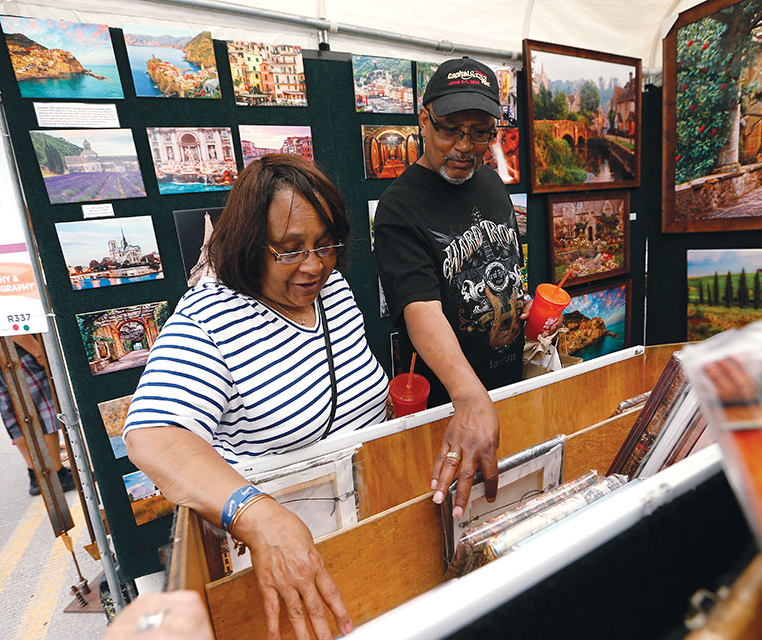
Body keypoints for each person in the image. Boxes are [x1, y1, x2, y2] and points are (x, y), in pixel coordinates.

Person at [124, 154, 389, 640]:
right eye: (289, 250)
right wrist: (258, 514)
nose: (313, 266)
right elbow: (152, 436)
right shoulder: (208, 317)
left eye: (324, 244)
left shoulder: (334, 289)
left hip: (357, 531)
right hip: (275, 562)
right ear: (249, 244)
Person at [374, 57, 531, 520]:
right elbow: (420, 308)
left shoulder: (489, 182)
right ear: (424, 120)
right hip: (450, 409)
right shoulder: (399, 207)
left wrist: (521, 305)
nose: (465, 146)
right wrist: (468, 395)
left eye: (481, 132)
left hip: (506, 389)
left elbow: (502, 262)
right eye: (450, 130)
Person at [0, 337, 75, 496]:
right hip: (17, 350)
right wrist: (37, 351)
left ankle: (35, 474)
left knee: (14, 414)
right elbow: (7, 319)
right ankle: (56, 473)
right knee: (42, 411)